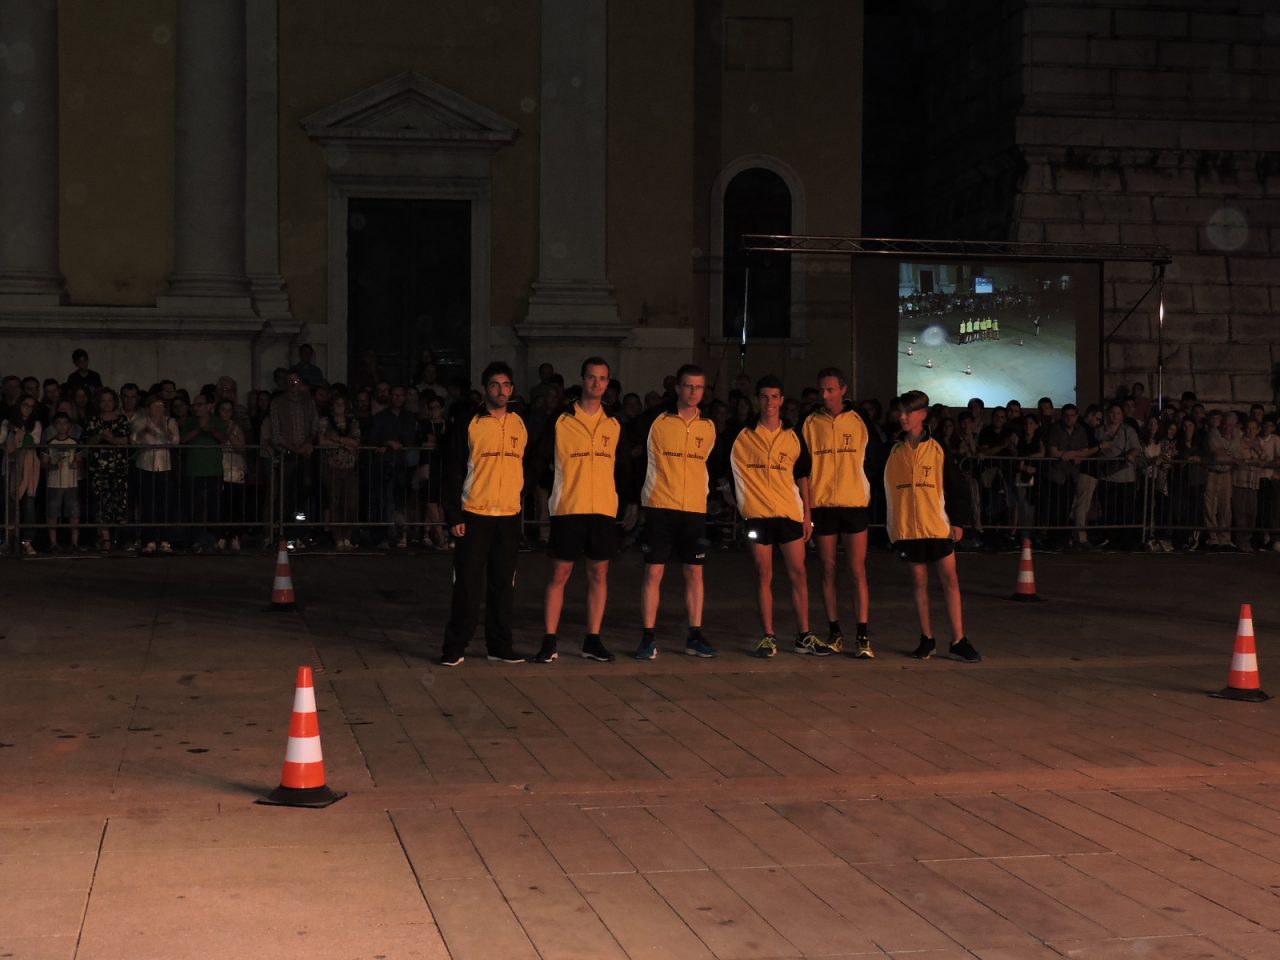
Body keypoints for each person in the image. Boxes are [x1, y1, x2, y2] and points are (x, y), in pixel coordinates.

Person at [527, 357, 637, 664]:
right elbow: (539, 459)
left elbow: (623, 467)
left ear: (608, 383)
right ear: (582, 379)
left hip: (603, 509)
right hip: (569, 507)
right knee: (560, 573)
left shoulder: (614, 423)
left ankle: (592, 640)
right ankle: (549, 640)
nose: (596, 383)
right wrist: (533, 487)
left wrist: (631, 500)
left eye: (602, 378)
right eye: (591, 377)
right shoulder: (561, 419)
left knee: (598, 573)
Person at [731, 375, 830, 658]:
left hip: (789, 514)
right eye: (764, 397)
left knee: (798, 572)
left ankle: (803, 635)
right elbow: (726, 470)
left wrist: (807, 515)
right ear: (757, 400)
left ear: (782, 400)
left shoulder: (793, 435)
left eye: (775, 396)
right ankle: (768, 636)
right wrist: (736, 499)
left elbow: (802, 476)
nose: (770, 402)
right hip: (758, 515)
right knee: (764, 573)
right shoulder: (742, 435)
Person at [438, 361, 528, 667]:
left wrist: (520, 495)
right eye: (494, 385)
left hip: (508, 516)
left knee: (503, 585)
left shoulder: (520, 423)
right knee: (467, 584)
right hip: (475, 513)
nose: (501, 391)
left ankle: (499, 646)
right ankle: (455, 646)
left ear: (512, 389)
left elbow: (527, 464)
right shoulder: (469, 422)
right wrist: (454, 515)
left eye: (506, 385)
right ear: (485, 388)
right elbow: (452, 469)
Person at [885, 390, 981, 663]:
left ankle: (959, 639)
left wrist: (958, 522)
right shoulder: (894, 449)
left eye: (909, 412)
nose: (903, 417)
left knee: (950, 579)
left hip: (937, 527)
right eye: (901, 412)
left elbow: (958, 486)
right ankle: (927, 639)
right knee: (919, 581)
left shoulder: (938, 448)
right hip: (909, 529)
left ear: (923, 415)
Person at [633, 364, 718, 660]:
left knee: (695, 572)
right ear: (678, 388)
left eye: (699, 387)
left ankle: (695, 635)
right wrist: (634, 498)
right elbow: (636, 457)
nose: (693, 392)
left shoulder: (709, 426)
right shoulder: (656, 421)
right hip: (660, 505)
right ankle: (647, 637)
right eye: (688, 386)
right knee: (654, 571)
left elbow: (711, 465)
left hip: (694, 509)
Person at [802, 367, 878, 657]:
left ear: (843, 390)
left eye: (830, 389)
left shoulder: (859, 419)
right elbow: (801, 465)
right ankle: (834, 632)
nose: (825, 395)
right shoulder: (810, 422)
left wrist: (866, 486)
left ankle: (862, 636)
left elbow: (875, 456)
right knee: (828, 569)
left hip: (854, 504)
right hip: (822, 506)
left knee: (857, 570)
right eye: (821, 389)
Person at [83, 387, 132, 551]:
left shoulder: (122, 419)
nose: (106, 403)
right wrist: (100, 436)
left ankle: (121, 537)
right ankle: (105, 538)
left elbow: (125, 441)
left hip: (118, 467)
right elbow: (88, 441)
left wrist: (110, 439)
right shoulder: (93, 420)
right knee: (101, 502)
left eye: (109, 400)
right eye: (103, 400)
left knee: (120, 502)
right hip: (98, 468)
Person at [133, 394, 180, 555]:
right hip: (145, 466)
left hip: (164, 467)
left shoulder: (170, 421)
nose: (158, 409)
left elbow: (175, 441)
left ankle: (165, 540)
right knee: (147, 505)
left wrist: (163, 428)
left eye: (160, 406)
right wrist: (145, 430)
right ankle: (149, 540)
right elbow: (134, 440)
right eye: (154, 406)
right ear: (148, 408)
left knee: (165, 505)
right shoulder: (141, 421)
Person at [181, 393, 227, 552]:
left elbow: (223, 439)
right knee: (196, 507)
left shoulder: (217, 421)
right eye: (194, 405)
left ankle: (213, 539)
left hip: (214, 470)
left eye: (200, 404)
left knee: (214, 506)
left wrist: (212, 430)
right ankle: (197, 539)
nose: (196, 408)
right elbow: (183, 439)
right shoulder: (190, 421)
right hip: (194, 469)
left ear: (209, 406)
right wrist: (199, 429)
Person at [317, 393, 361, 550]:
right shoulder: (325, 421)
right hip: (332, 466)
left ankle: (347, 535)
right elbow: (322, 441)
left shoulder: (353, 422)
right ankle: (337, 537)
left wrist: (336, 439)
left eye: (342, 404)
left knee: (350, 503)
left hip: (349, 467)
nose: (340, 407)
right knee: (334, 502)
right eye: (337, 404)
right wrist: (343, 444)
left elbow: (355, 443)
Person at [2, 394, 43, 554]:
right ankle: (8, 539)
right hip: (11, 466)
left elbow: (32, 441)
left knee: (28, 504)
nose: (28, 409)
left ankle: (27, 540)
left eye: (31, 406)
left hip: (29, 468)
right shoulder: (6, 423)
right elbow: (1, 440)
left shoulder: (36, 424)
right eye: (25, 404)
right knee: (10, 505)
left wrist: (17, 431)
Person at [41, 412, 83, 551]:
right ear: (54, 425)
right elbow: (44, 463)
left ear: (69, 425)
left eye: (64, 423)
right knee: (52, 514)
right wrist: (51, 466)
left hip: (71, 483)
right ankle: (53, 544)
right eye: (59, 423)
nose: (62, 426)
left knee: (74, 514)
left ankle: (74, 543)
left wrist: (77, 464)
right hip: (54, 483)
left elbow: (80, 460)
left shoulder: (75, 442)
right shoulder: (50, 443)